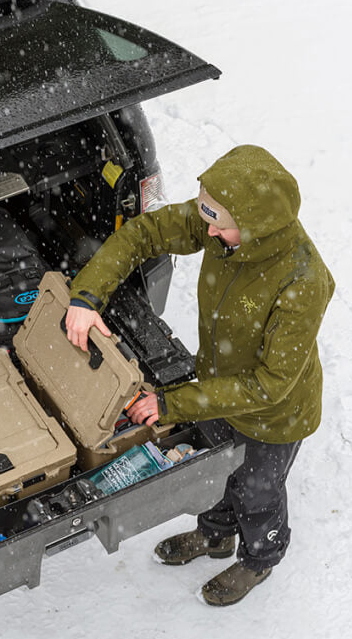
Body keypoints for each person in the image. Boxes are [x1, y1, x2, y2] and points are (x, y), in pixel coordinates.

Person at [64, 145, 334, 606]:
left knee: (257, 492)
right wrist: (87, 297)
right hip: (217, 387)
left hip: (274, 417)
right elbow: (143, 234)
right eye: (207, 217)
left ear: (256, 225)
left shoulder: (302, 281)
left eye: (219, 225)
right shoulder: (223, 224)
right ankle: (215, 535)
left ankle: (259, 558)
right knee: (214, 474)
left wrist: (173, 403)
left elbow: (269, 385)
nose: (207, 231)